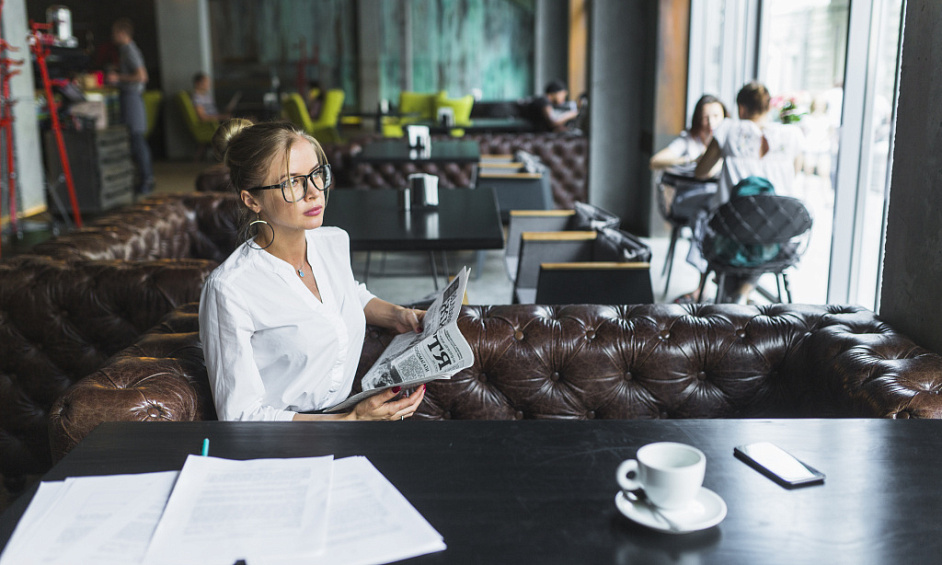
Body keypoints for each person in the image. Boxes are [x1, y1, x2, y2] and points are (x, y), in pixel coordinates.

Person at [199, 119, 427, 421]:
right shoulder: (230, 289)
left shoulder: (332, 241)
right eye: (292, 182)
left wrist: (398, 315)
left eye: (316, 174)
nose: (313, 191)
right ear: (251, 200)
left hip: (348, 419)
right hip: (283, 444)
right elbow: (240, 415)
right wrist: (351, 420)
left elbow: (348, 295)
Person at [692, 81, 805, 302]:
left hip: (731, 229)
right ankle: (742, 293)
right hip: (777, 233)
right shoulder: (793, 135)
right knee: (758, 237)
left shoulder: (728, 130)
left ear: (741, 109)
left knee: (725, 232)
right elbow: (795, 172)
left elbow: (701, 171)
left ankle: (734, 298)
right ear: (769, 107)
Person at [107, 18, 153, 196]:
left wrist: (118, 78)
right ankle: (143, 179)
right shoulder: (127, 50)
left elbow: (142, 76)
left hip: (132, 98)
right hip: (130, 97)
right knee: (135, 139)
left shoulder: (128, 49)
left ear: (121, 33)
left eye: (114, 33)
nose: (112, 36)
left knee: (136, 140)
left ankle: (146, 180)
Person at [650, 94, 728, 173]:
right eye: (705, 117)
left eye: (716, 116)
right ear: (698, 119)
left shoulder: (728, 141)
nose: (711, 122)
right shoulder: (688, 140)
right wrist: (689, 160)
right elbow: (655, 161)